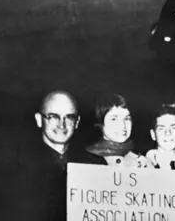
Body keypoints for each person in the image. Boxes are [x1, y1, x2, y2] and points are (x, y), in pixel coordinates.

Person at [15, 91, 105, 221]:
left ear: (77, 122)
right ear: (39, 120)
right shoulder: (18, 165)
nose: (61, 124)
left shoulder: (95, 165)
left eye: (69, 117)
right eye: (53, 116)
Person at [86, 93, 151, 167]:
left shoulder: (141, 161)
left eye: (127, 118)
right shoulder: (85, 159)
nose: (122, 125)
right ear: (100, 123)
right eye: (114, 119)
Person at [146, 103, 175, 172]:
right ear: (153, 134)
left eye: (174, 128)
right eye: (161, 128)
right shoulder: (141, 166)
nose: (168, 133)